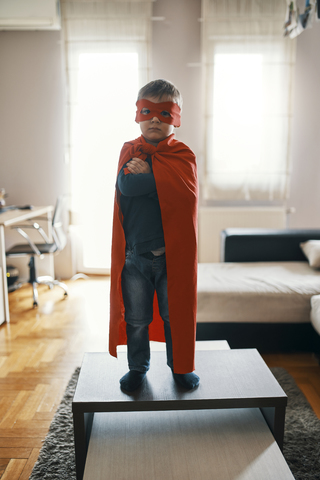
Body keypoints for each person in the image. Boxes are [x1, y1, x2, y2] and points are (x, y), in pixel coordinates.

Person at [109, 79, 199, 392]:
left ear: (176, 117)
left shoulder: (182, 155)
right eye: (147, 111)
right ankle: (137, 369)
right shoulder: (131, 151)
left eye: (164, 112)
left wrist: (150, 176)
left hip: (171, 257)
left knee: (175, 316)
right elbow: (127, 187)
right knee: (136, 320)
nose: (155, 119)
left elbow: (185, 197)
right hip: (135, 257)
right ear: (138, 114)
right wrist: (159, 185)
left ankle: (180, 368)